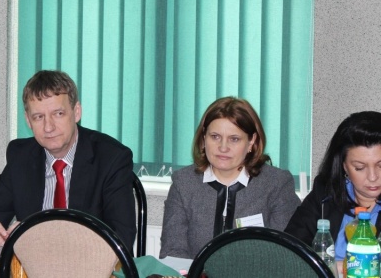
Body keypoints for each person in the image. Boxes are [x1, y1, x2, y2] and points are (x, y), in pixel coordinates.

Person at [0, 70, 136, 250]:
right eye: (38, 117)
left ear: (76, 112)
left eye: (58, 113)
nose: (48, 127)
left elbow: (121, 237)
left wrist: (44, 238)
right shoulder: (21, 157)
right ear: (28, 121)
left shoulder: (111, 158)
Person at [159, 96, 300, 259]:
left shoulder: (277, 184)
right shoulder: (183, 183)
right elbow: (172, 252)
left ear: (251, 141)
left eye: (234, 139)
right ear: (204, 138)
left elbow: (284, 255)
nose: (223, 147)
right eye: (215, 136)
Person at [285, 111, 381, 263]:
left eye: (380, 165)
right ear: (344, 166)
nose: (373, 177)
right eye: (360, 167)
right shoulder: (325, 194)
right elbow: (290, 248)